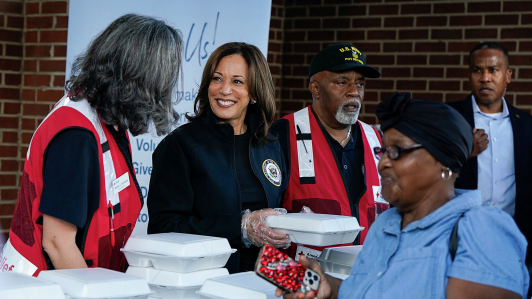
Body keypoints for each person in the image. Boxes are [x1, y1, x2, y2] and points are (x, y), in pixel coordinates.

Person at [276, 92, 529, 299]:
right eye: (383, 150)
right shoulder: (385, 224)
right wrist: (328, 287)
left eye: (397, 151)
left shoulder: (481, 229)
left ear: (443, 160)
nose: (383, 163)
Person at [1, 14, 183, 276]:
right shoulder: (77, 137)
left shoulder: (105, 119)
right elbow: (57, 243)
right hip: (45, 287)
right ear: (140, 80)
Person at [147, 42, 290, 274]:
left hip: (267, 280)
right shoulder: (181, 145)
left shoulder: (270, 145)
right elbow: (163, 228)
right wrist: (240, 227)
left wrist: (297, 226)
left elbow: (277, 213)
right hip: (207, 282)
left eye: (237, 81)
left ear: (254, 92)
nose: (224, 90)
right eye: (217, 79)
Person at [270, 43, 388, 258]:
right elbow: (265, 218)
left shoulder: (377, 140)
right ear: (315, 88)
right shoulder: (282, 134)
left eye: (360, 84)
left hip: (365, 277)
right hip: (305, 280)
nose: (354, 92)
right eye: (342, 83)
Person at [447, 42, 532, 294]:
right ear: (469, 75)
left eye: (493, 70)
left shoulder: (526, 125)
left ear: (508, 76)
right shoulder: (449, 117)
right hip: (459, 238)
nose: (485, 78)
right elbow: (427, 167)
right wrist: (465, 151)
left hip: (514, 238)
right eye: (477, 70)